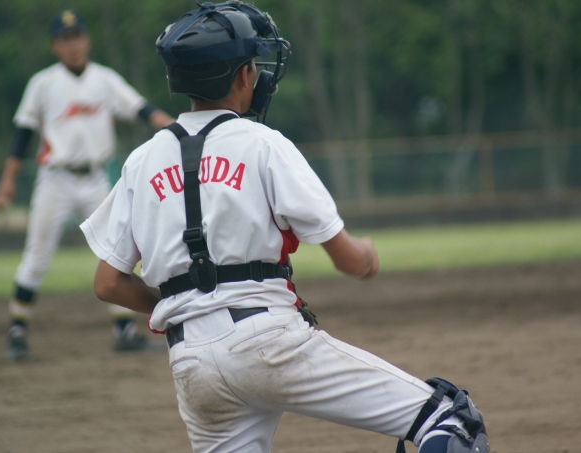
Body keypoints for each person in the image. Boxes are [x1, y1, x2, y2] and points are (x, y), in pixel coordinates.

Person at [80, 3, 490, 453]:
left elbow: (108, 282)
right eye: (253, 64)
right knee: (451, 419)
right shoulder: (263, 144)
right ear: (242, 76)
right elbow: (348, 260)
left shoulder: (141, 161)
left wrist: (188, 304)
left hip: (191, 361)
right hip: (268, 342)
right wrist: (366, 255)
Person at [0, 9, 175, 361]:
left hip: (95, 179)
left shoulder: (104, 79)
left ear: (86, 40)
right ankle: (17, 330)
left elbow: (143, 110)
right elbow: (22, 135)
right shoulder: (43, 83)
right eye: (65, 39)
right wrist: (8, 181)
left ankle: (124, 330)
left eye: (77, 37)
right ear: (55, 46)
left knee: (116, 252)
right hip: (55, 181)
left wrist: (179, 128)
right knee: (37, 256)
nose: (73, 44)